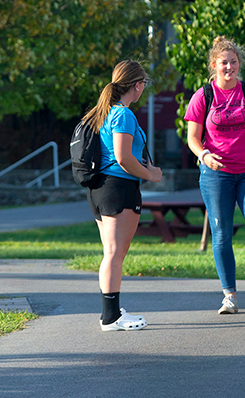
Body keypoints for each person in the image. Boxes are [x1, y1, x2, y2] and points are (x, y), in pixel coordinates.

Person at [184, 36, 245, 314]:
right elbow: (192, 137)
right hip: (216, 175)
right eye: (224, 63)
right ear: (214, 65)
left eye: (234, 62)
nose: (229, 67)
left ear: (240, 64)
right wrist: (204, 155)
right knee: (222, 235)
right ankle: (229, 295)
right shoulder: (203, 95)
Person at [82, 60, 161, 331]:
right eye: (143, 85)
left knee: (111, 253)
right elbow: (124, 157)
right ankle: (111, 317)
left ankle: (111, 312)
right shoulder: (123, 115)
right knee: (115, 253)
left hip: (99, 190)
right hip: (118, 188)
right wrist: (151, 175)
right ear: (137, 86)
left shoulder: (104, 112)